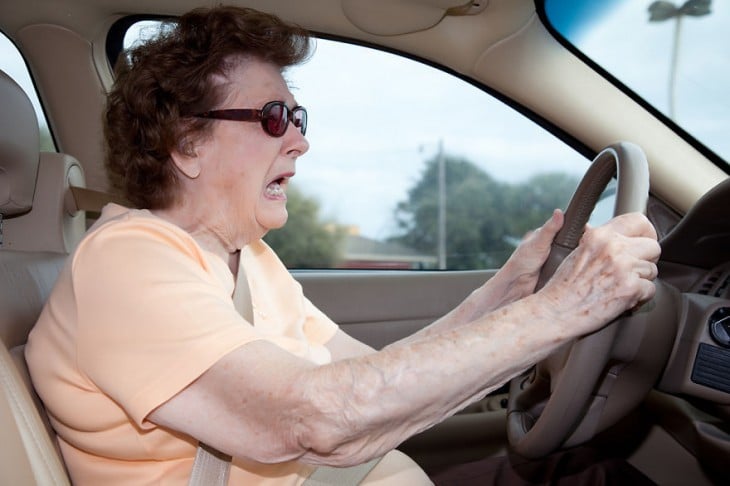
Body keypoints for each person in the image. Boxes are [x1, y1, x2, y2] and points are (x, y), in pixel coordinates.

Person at [25, 5, 661, 485]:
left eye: (299, 120)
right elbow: (311, 419)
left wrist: (508, 292)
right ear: (186, 145)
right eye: (275, 118)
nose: (300, 141)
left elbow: (375, 379)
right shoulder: (127, 262)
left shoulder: (249, 259)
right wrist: (565, 308)